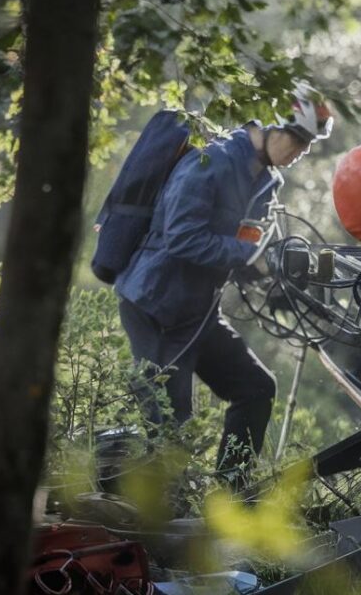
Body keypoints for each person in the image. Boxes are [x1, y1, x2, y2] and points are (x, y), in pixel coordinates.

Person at [114, 86, 333, 486]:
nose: (301, 151)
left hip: (197, 311)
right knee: (171, 425)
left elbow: (245, 245)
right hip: (156, 304)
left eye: (308, 144)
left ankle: (229, 497)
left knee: (255, 388)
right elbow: (181, 237)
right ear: (270, 126)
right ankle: (159, 523)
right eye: (298, 139)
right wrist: (250, 258)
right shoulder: (209, 161)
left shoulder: (266, 182)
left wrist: (275, 273)